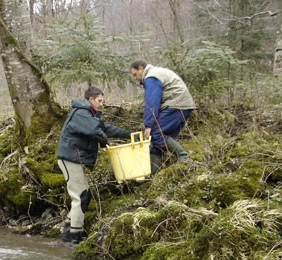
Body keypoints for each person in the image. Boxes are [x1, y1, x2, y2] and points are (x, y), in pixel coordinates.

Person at [57, 86, 132, 245]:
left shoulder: (89, 114)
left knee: (83, 195)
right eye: (99, 101)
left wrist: (130, 135)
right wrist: (105, 143)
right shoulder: (81, 113)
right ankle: (74, 237)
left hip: (74, 158)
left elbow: (106, 128)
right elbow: (95, 131)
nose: (101, 104)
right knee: (81, 196)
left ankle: (68, 232)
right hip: (70, 158)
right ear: (90, 100)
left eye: (102, 101)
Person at [130, 60, 196, 174]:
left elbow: (152, 103)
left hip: (177, 105)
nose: (135, 78)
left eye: (135, 74)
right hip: (182, 106)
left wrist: (148, 125)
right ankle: (152, 175)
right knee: (157, 142)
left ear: (141, 68)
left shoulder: (151, 77)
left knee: (155, 134)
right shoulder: (156, 73)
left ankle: (184, 156)